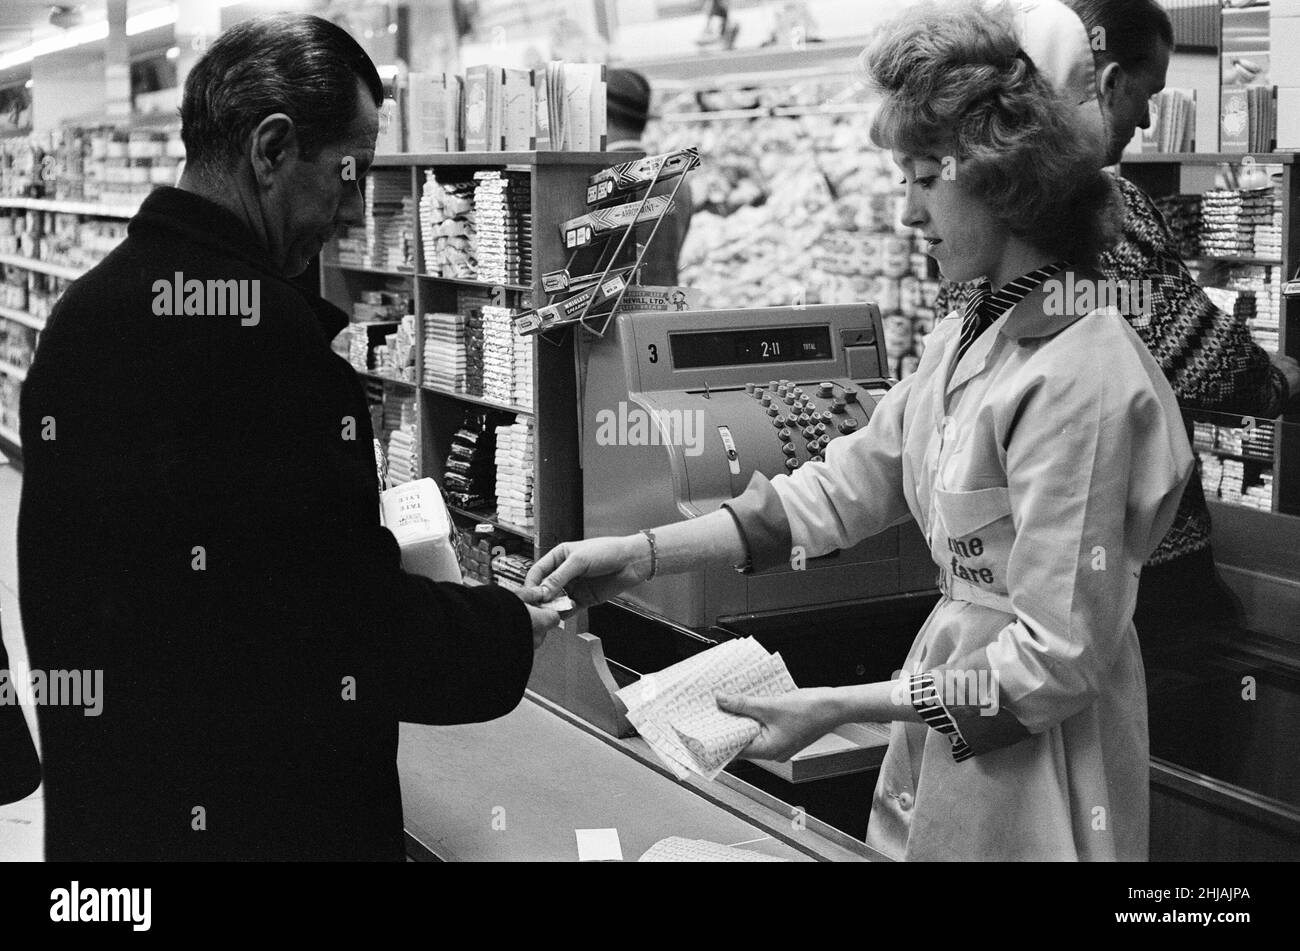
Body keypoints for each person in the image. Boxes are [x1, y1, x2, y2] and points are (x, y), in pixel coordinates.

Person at [529, 0, 1193, 861]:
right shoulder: (971, 331)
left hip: (1046, 756)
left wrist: (841, 704)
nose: (908, 214)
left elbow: (1056, 660)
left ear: (1000, 176)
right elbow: (846, 484)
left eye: (923, 177)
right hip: (951, 715)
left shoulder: (1084, 371)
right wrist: (639, 553)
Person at [18, 14, 559, 861]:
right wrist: (501, 627)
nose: (352, 208)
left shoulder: (82, 315)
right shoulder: (268, 344)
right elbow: (340, 626)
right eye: (352, 173)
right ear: (272, 150)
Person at [937, 0, 1300, 666]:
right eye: (1148, 93)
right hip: (1141, 572)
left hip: (1009, 559)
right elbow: (1200, 356)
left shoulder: (976, 214)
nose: (1149, 118)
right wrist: (1276, 379)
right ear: (1106, 86)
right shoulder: (1102, 203)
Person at [605, 67, 692, 286]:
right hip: (666, 314)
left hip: (609, 318)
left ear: (604, 119)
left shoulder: (595, 181)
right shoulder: (678, 182)